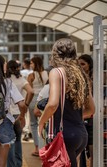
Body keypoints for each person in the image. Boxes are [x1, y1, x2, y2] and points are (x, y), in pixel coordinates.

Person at [38, 38, 95, 167]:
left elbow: (53, 104)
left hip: (63, 135)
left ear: (55, 53)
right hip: (80, 134)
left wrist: (41, 122)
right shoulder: (80, 74)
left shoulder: (56, 72)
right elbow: (91, 109)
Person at [0, 54, 26, 167]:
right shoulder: (8, 83)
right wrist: (21, 117)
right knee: (1, 162)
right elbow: (22, 104)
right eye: (4, 63)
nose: (6, 65)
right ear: (0, 65)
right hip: (5, 122)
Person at [6, 60, 34, 167]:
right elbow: (31, 91)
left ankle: (11, 165)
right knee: (18, 140)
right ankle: (18, 164)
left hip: (8, 114)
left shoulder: (6, 80)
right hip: (19, 113)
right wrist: (26, 104)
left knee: (10, 141)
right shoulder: (21, 79)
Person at [28, 56, 48, 156]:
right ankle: (44, 147)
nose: (30, 65)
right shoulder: (47, 74)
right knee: (44, 123)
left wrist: (26, 102)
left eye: (31, 63)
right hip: (45, 100)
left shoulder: (31, 76)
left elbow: (30, 92)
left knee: (33, 124)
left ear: (35, 63)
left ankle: (37, 148)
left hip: (34, 100)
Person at [78, 54, 94, 167]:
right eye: (79, 64)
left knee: (93, 148)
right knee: (81, 149)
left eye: (83, 64)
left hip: (93, 118)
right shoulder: (76, 78)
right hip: (81, 116)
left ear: (89, 65)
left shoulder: (96, 78)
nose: (81, 66)